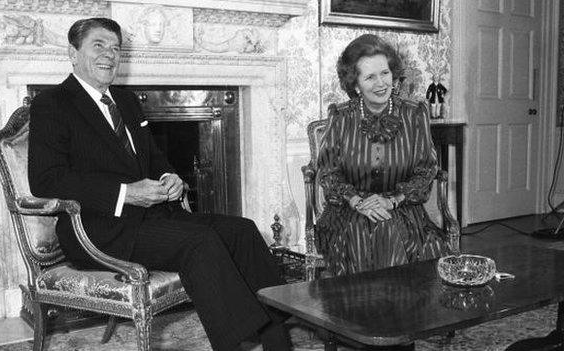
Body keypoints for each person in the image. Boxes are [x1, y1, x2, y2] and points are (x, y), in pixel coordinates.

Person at [27, 17, 291, 351]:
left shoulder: (124, 101)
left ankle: (277, 340)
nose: (109, 54)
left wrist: (171, 176)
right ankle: (233, 344)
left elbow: (151, 156)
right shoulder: (53, 104)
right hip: (97, 231)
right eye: (99, 45)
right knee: (200, 241)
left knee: (243, 230)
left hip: (151, 220)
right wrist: (126, 193)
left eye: (115, 47)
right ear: (73, 52)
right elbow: (46, 179)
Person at [315, 34, 452, 276]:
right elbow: (328, 173)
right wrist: (358, 201)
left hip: (403, 209)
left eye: (385, 73)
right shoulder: (340, 116)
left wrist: (392, 200)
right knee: (370, 229)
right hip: (349, 211)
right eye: (370, 77)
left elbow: (425, 171)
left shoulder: (415, 114)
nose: (381, 83)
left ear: (393, 74)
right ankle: (381, 307)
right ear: (355, 84)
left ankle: (384, 308)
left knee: (386, 224)